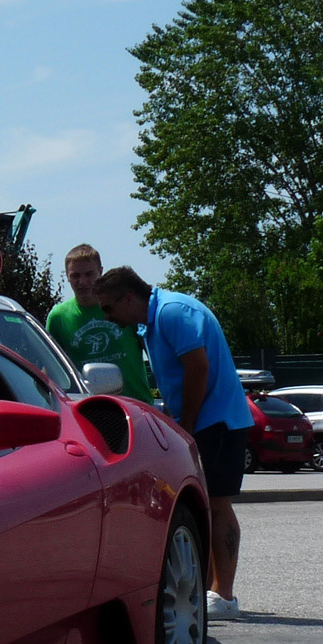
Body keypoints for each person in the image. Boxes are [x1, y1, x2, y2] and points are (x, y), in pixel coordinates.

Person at [94, 267, 252, 620]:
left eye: (108, 308)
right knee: (207, 505)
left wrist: (189, 425)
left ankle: (223, 595)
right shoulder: (155, 319)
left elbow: (198, 367)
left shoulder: (171, 312)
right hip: (208, 422)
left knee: (217, 503)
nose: (108, 317)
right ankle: (213, 589)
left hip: (218, 422)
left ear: (129, 298)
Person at [45, 244, 155, 404]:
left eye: (89, 274)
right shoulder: (58, 317)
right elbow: (50, 368)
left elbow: (153, 354)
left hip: (134, 405)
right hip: (86, 409)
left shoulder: (124, 307)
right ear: (67, 276)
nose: (82, 282)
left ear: (100, 272)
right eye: (75, 276)